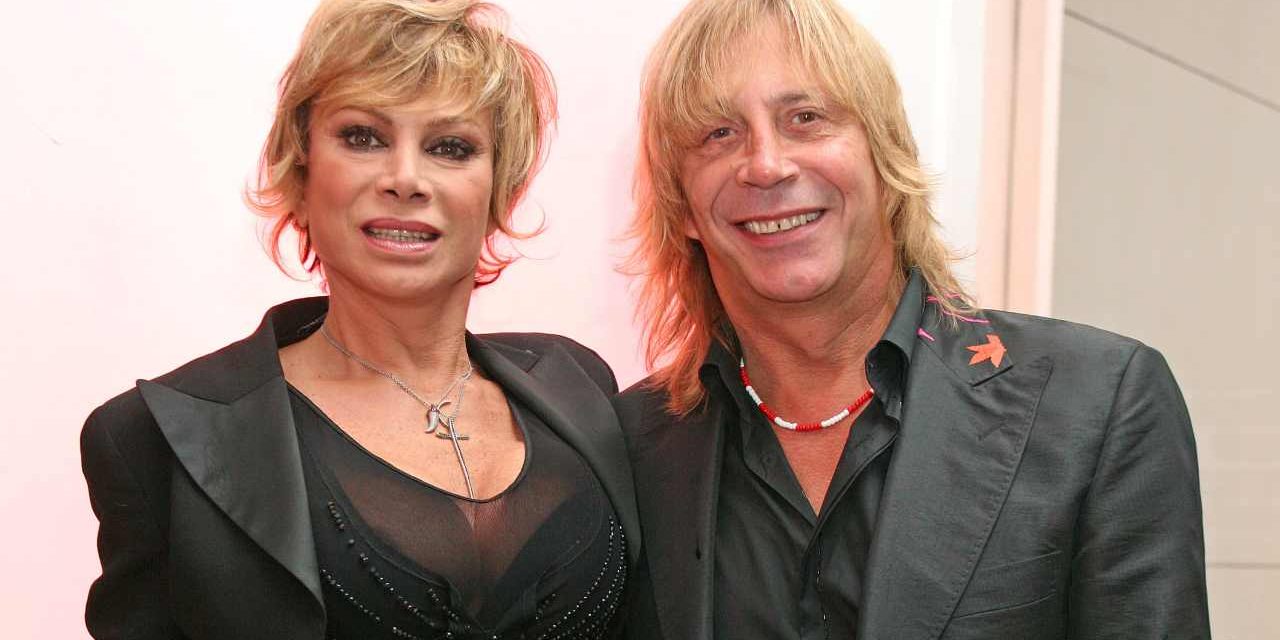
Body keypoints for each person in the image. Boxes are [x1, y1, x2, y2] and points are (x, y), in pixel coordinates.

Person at [617, 0, 1210, 638]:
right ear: (682, 205)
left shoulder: (1096, 404)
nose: (765, 165)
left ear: (886, 154)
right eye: (717, 134)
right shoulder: (627, 447)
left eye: (806, 118)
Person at [80, 1, 638, 638]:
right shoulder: (156, 440)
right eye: (363, 137)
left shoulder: (581, 386)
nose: (405, 179)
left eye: (450, 147)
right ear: (301, 169)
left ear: (496, 190)